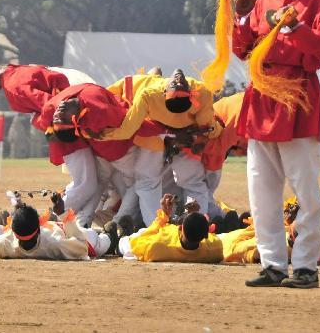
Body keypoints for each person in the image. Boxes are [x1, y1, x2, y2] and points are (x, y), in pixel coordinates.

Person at [231, 0, 320, 288]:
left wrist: (295, 25)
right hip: (262, 96)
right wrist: (242, 16)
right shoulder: (264, 0)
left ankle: (306, 267)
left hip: (297, 96)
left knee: (306, 189)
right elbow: (244, 49)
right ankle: (273, 264)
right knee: (261, 191)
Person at [102, 69, 221, 225]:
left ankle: (183, 226)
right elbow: (208, 126)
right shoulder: (200, 91)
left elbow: (128, 128)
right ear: (164, 92)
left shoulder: (148, 93)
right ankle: (170, 226)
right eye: (177, 88)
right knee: (187, 183)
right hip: (170, 139)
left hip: (175, 141)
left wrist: (99, 134)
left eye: (179, 89)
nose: (178, 79)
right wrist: (207, 131)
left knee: (151, 182)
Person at [39, 83, 165, 227]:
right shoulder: (99, 112)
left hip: (103, 151)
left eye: (56, 119)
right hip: (120, 152)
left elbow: (46, 123)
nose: (58, 113)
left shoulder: (52, 108)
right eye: (63, 119)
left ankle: (86, 221)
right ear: (76, 121)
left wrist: (50, 132)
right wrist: (168, 129)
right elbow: (134, 123)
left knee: (102, 184)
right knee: (138, 184)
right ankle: (118, 225)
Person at [119, 194, 223, 263]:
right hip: (171, 238)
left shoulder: (156, 246)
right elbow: (206, 234)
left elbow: (143, 238)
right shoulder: (215, 248)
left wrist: (164, 214)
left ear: (180, 228)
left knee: (134, 236)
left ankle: (121, 236)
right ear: (206, 234)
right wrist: (193, 215)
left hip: (150, 240)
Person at [0, 204, 117, 260]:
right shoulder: (56, 245)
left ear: (13, 231)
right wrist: (64, 214)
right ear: (39, 228)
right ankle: (110, 237)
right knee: (99, 244)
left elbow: (1, 241)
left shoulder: (2, 245)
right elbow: (82, 246)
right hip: (63, 231)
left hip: (53, 229)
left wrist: (20, 215)